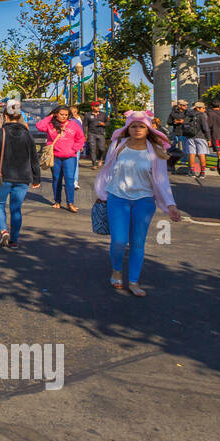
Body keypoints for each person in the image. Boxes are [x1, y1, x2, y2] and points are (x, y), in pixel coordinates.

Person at [94, 111, 181, 297]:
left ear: (148, 128)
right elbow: (107, 169)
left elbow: (161, 179)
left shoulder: (156, 151)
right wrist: (102, 192)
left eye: (141, 126)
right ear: (128, 128)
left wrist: (170, 204)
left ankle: (134, 281)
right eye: (133, 126)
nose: (137, 129)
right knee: (118, 241)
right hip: (117, 198)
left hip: (144, 201)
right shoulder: (118, 145)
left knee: (137, 243)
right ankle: (116, 269)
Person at [0, 99, 41, 248]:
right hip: (23, 177)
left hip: (3, 176)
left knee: (0, 204)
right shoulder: (27, 134)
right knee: (16, 209)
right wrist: (36, 178)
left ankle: (3, 231)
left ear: (5, 116)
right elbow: (34, 157)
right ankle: (14, 240)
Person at [37, 105, 85, 212]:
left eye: (66, 115)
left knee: (69, 179)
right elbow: (39, 126)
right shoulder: (50, 124)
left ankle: (70, 203)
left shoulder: (74, 124)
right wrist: (50, 117)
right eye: (61, 114)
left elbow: (81, 138)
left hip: (70, 157)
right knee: (56, 179)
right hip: (55, 157)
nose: (64, 117)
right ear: (56, 114)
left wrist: (74, 149)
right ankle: (57, 201)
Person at [186, 101, 211, 176]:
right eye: (203, 108)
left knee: (191, 154)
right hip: (200, 136)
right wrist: (208, 138)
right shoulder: (201, 115)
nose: (204, 109)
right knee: (201, 154)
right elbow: (205, 128)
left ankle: (192, 171)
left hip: (190, 136)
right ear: (198, 108)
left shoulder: (188, 114)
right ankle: (202, 172)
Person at [83, 100, 109, 169]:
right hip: (91, 134)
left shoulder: (103, 114)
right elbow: (85, 125)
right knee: (92, 149)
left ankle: (100, 159)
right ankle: (94, 164)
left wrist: (104, 124)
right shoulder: (88, 115)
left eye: (98, 106)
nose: (98, 107)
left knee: (102, 149)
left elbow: (108, 122)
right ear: (92, 107)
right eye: (96, 106)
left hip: (101, 134)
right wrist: (85, 134)